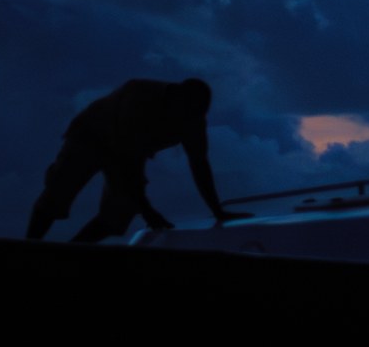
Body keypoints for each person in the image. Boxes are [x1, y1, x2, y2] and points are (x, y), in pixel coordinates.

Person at [26, 77, 244, 242]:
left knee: (119, 213)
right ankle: (29, 244)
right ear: (175, 96)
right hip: (89, 138)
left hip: (130, 151)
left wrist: (217, 210)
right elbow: (125, 163)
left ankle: (74, 249)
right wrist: (148, 211)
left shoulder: (194, 121)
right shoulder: (139, 96)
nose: (187, 120)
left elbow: (199, 164)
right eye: (185, 113)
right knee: (58, 192)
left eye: (195, 115)